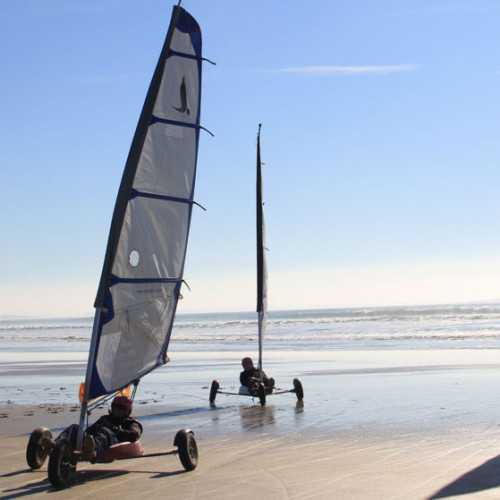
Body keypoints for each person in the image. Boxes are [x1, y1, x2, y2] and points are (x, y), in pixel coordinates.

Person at [42, 395, 143, 460]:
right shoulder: (105, 419)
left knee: (105, 431)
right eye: (115, 407)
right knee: (75, 428)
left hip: (111, 442)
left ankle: (91, 450)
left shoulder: (131, 423)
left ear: (127, 411)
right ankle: (56, 445)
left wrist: (118, 431)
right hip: (92, 440)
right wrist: (84, 435)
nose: (117, 410)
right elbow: (90, 430)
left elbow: (134, 435)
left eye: (121, 408)